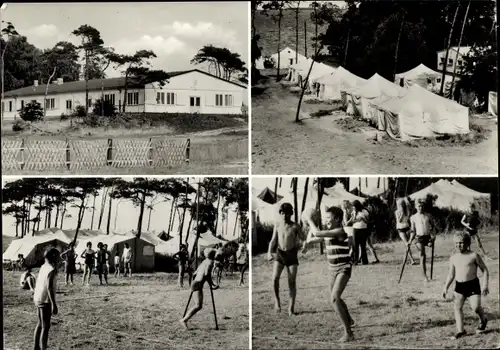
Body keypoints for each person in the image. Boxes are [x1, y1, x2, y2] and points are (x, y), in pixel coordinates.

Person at [306, 206, 355, 343]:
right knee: (336, 298)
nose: (325, 220)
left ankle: (348, 333)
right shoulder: (328, 233)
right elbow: (310, 240)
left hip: (343, 268)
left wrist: (310, 219)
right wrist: (311, 227)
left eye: (328, 218)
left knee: (334, 299)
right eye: (325, 218)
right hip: (332, 269)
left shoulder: (339, 231)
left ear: (337, 219)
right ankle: (349, 319)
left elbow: (317, 233)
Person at [442, 232, 489, 339]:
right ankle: (461, 330)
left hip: (472, 285)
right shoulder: (453, 258)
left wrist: (485, 285)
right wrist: (445, 287)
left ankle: (483, 319)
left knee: (476, 307)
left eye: (461, 243)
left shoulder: (474, 256)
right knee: (457, 308)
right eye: (457, 243)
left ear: (468, 243)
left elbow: (485, 270)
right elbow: (451, 274)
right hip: (459, 286)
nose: (459, 245)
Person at [267, 202, 306, 315]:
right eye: (283, 213)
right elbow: (273, 240)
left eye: (287, 213)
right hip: (280, 254)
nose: (285, 216)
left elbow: (303, 238)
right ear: (280, 213)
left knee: (292, 282)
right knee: (274, 279)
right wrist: (269, 252)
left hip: (292, 255)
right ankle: (277, 301)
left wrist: (304, 246)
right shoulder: (278, 224)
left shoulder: (295, 226)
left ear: (291, 214)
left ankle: (291, 309)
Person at [179, 248, 220, 329]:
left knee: (199, 305)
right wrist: (212, 284)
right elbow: (207, 275)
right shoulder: (210, 262)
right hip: (197, 284)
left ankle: (184, 320)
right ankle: (184, 320)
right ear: (212, 255)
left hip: (196, 283)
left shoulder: (204, 262)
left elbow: (195, 273)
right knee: (198, 305)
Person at [33, 247, 59, 350]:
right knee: (45, 327)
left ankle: (36, 347)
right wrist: (54, 304)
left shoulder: (44, 266)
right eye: (57, 256)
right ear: (53, 257)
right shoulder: (50, 269)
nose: (59, 258)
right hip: (44, 300)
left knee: (40, 324)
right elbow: (49, 288)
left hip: (38, 297)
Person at [408, 199, 436, 282]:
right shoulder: (413, 217)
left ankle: (427, 275)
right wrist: (409, 240)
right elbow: (412, 230)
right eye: (419, 206)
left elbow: (433, 227)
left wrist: (433, 236)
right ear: (416, 207)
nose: (421, 208)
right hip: (418, 238)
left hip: (427, 237)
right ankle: (425, 277)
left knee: (428, 251)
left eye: (422, 206)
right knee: (422, 255)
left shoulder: (428, 216)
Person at [396, 198, 417, 265]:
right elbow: (399, 220)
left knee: (407, 244)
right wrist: (402, 213)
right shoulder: (397, 212)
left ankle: (408, 260)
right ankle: (410, 260)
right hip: (401, 229)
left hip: (405, 227)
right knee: (406, 244)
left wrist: (403, 213)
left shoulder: (406, 211)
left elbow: (401, 220)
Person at [352, 200, 370, 265]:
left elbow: (368, 221)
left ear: (357, 206)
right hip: (355, 229)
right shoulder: (354, 212)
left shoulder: (365, 211)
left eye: (354, 207)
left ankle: (364, 261)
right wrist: (357, 220)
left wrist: (363, 219)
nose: (353, 208)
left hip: (363, 229)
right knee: (355, 246)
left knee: (363, 246)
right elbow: (352, 221)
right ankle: (355, 261)